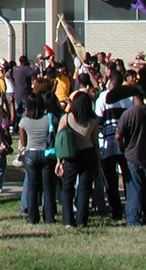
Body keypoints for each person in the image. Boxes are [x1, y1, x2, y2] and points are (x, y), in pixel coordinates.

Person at [116, 90, 146, 227]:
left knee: (134, 189)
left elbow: (118, 136)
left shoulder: (129, 114)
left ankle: (133, 220)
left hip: (132, 155)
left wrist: (123, 148)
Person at [55, 90, 99, 228]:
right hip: (88, 153)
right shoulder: (92, 121)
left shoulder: (66, 118)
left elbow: (60, 141)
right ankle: (82, 220)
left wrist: (59, 161)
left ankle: (68, 220)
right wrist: (98, 163)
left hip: (70, 155)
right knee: (84, 188)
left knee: (67, 187)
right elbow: (95, 143)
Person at [94, 72, 133, 220]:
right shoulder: (128, 98)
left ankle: (116, 210)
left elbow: (98, 120)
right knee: (128, 177)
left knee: (110, 179)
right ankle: (131, 207)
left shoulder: (103, 97)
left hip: (107, 142)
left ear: (110, 82)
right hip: (125, 142)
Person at [18, 92, 57, 224]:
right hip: (46, 154)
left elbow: (23, 143)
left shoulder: (24, 121)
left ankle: (32, 218)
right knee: (48, 187)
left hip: (31, 154)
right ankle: (50, 216)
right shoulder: (48, 119)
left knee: (32, 188)